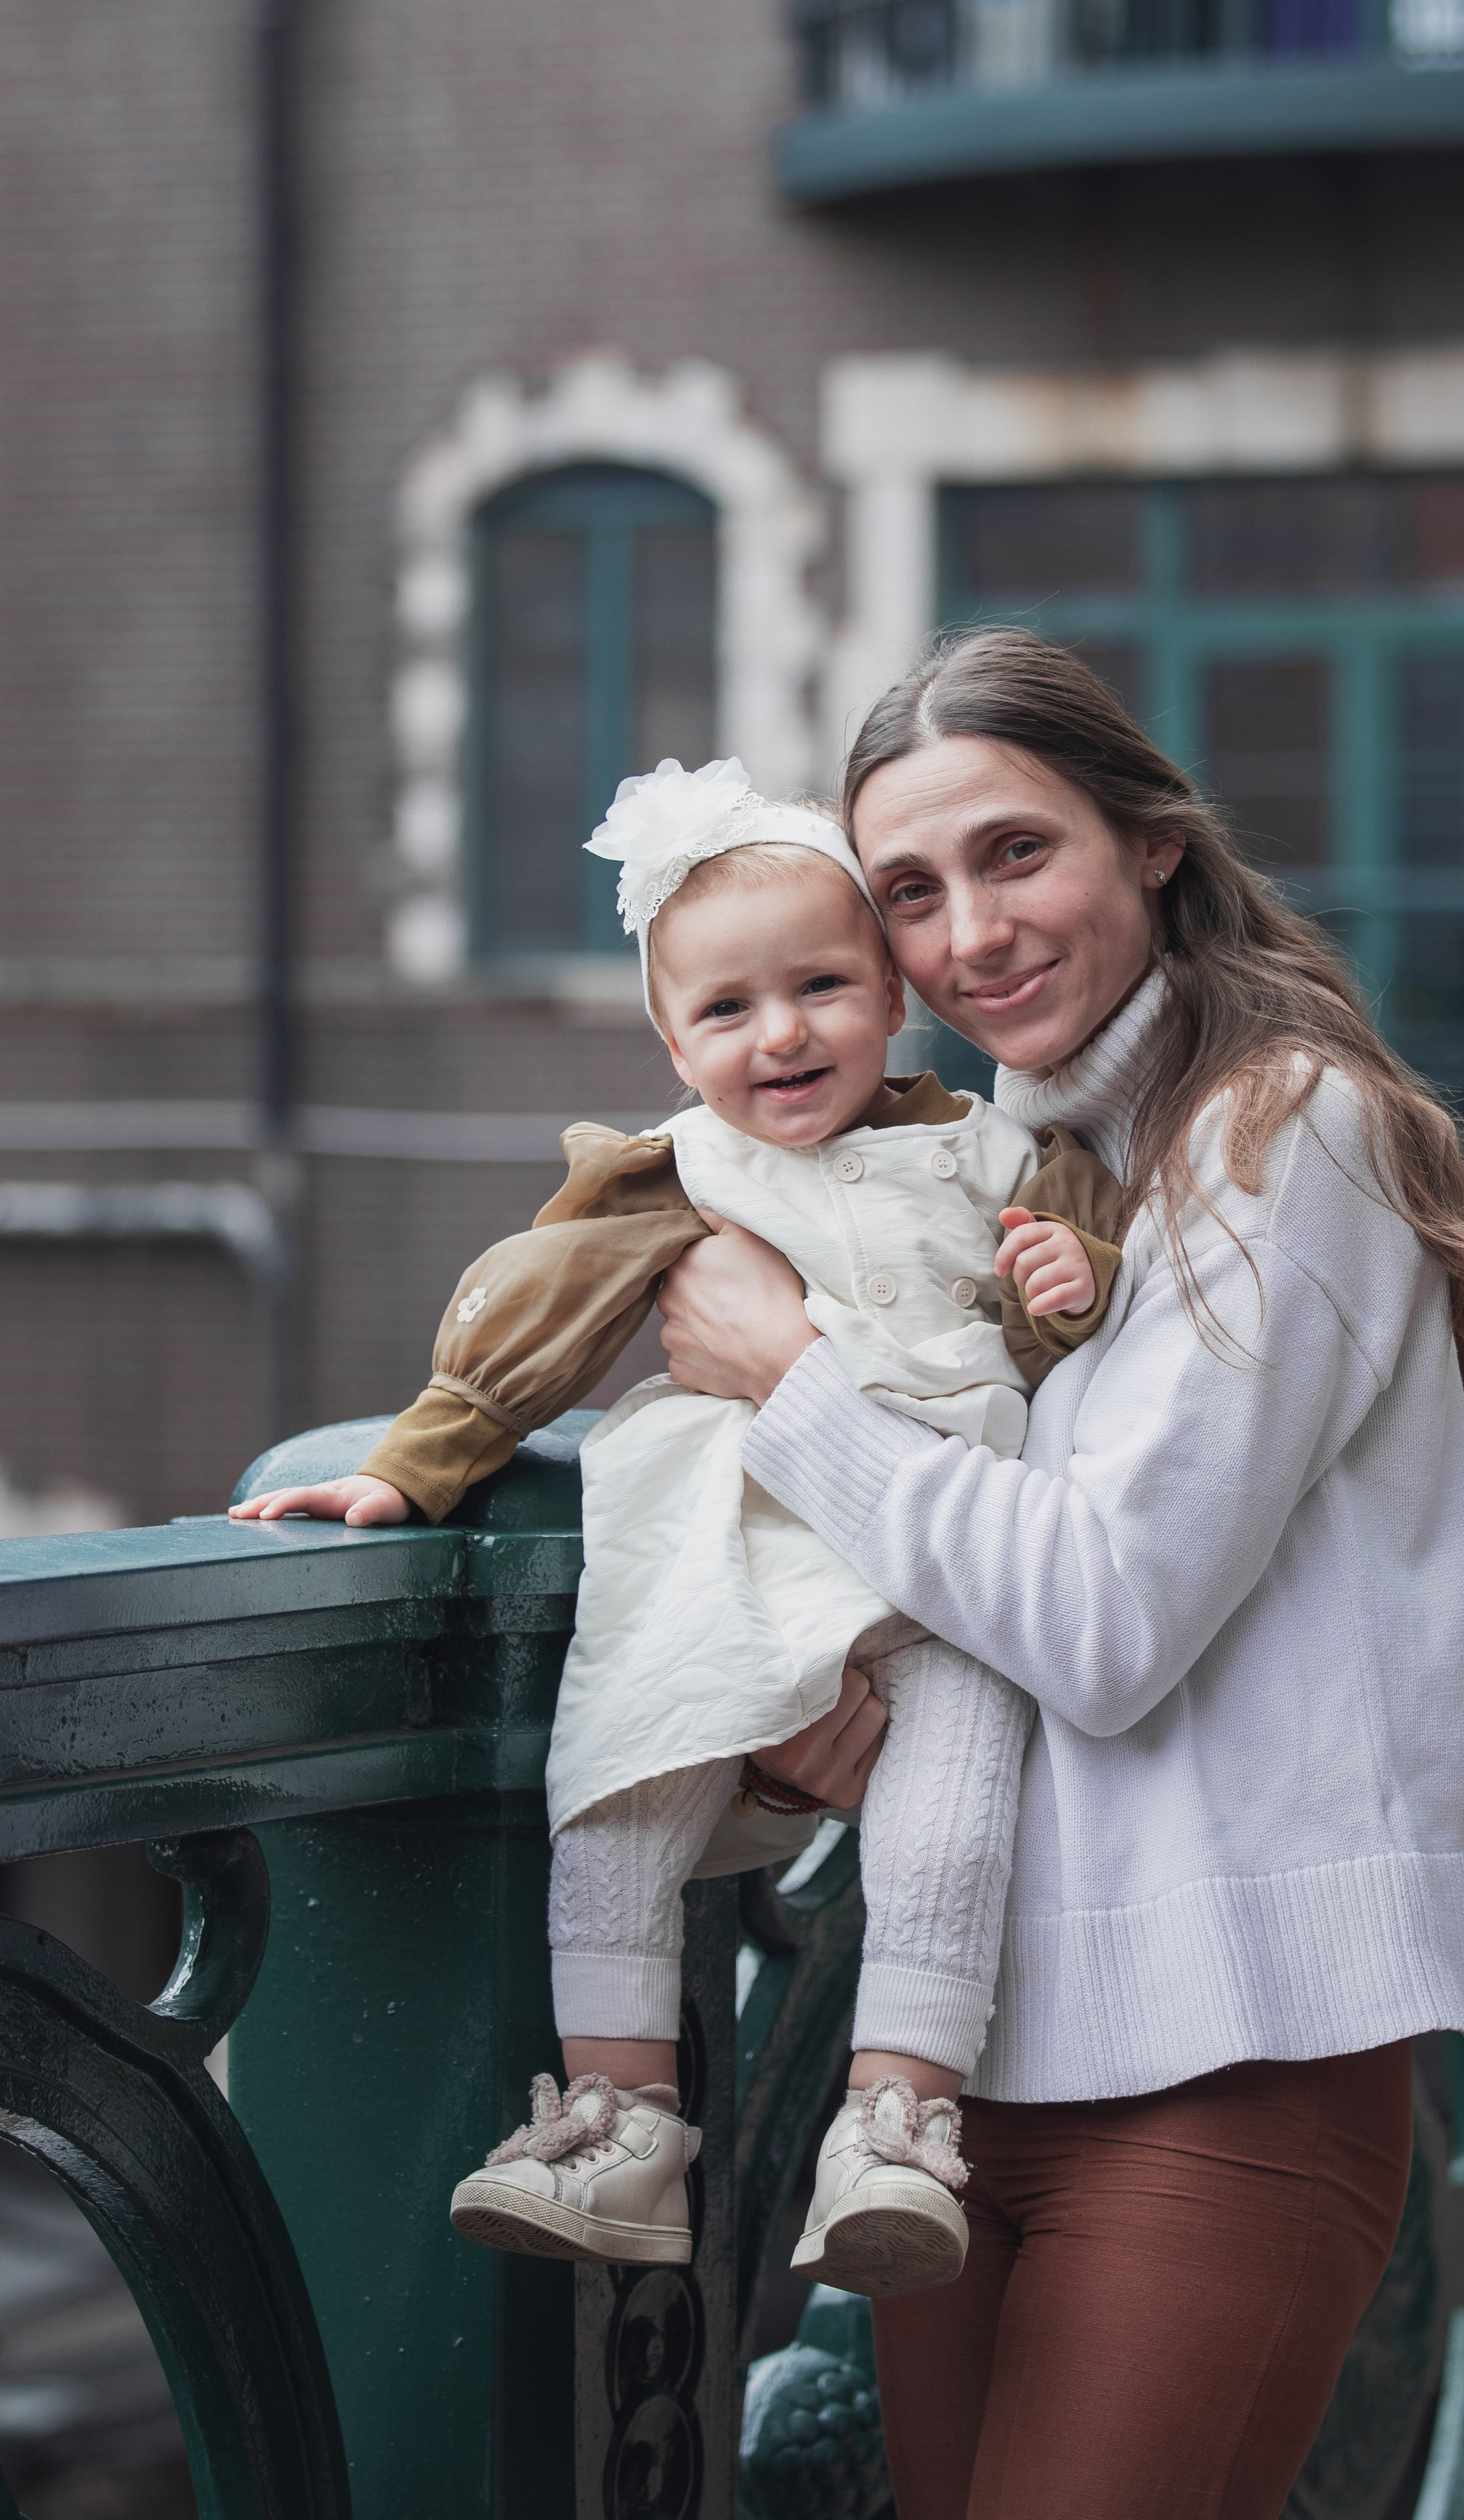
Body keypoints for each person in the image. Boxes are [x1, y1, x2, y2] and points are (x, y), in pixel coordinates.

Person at [649, 631, 1464, 2520]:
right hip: (959, 2079)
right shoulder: (989, 1174)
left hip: (1231, 2061)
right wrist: (827, 1714)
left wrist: (785, 1379)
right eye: (911, 892)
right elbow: (959, 1595)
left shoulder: (1284, 1131)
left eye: (1015, 852)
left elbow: (1108, 1623)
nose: (969, 930)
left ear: (1147, 842)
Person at [232, 755, 1124, 2300]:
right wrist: (409, 1472)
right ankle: (618, 2121)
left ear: (891, 998)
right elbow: (532, 1327)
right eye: (725, 1011)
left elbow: (1065, 1339)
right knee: (625, 1786)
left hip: (946, 1561)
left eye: (822, 988)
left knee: (951, 1815)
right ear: (669, 1040)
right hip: (733, 1551)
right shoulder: (675, 1176)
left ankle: (893, 2121)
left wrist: (1071, 1288)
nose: (781, 1035)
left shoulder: (994, 1152)